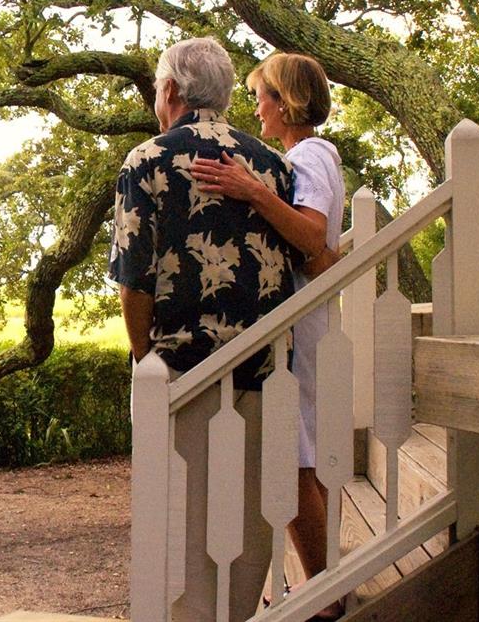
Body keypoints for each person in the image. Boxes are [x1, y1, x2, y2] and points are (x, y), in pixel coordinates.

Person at [109, 37, 298, 622]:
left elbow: (133, 278)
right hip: (263, 371)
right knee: (246, 524)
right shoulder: (271, 165)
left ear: (170, 90)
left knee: (178, 524)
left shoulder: (147, 160)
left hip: (182, 373)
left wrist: (144, 358)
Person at [190, 52, 345, 619]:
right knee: (301, 450)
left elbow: (311, 233)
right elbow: (320, 250)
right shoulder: (302, 156)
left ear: (286, 101)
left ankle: (328, 590)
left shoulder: (311, 154)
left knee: (297, 455)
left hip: (300, 324)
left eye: (262, 97)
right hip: (305, 317)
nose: (255, 108)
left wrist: (250, 190)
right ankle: (328, 580)